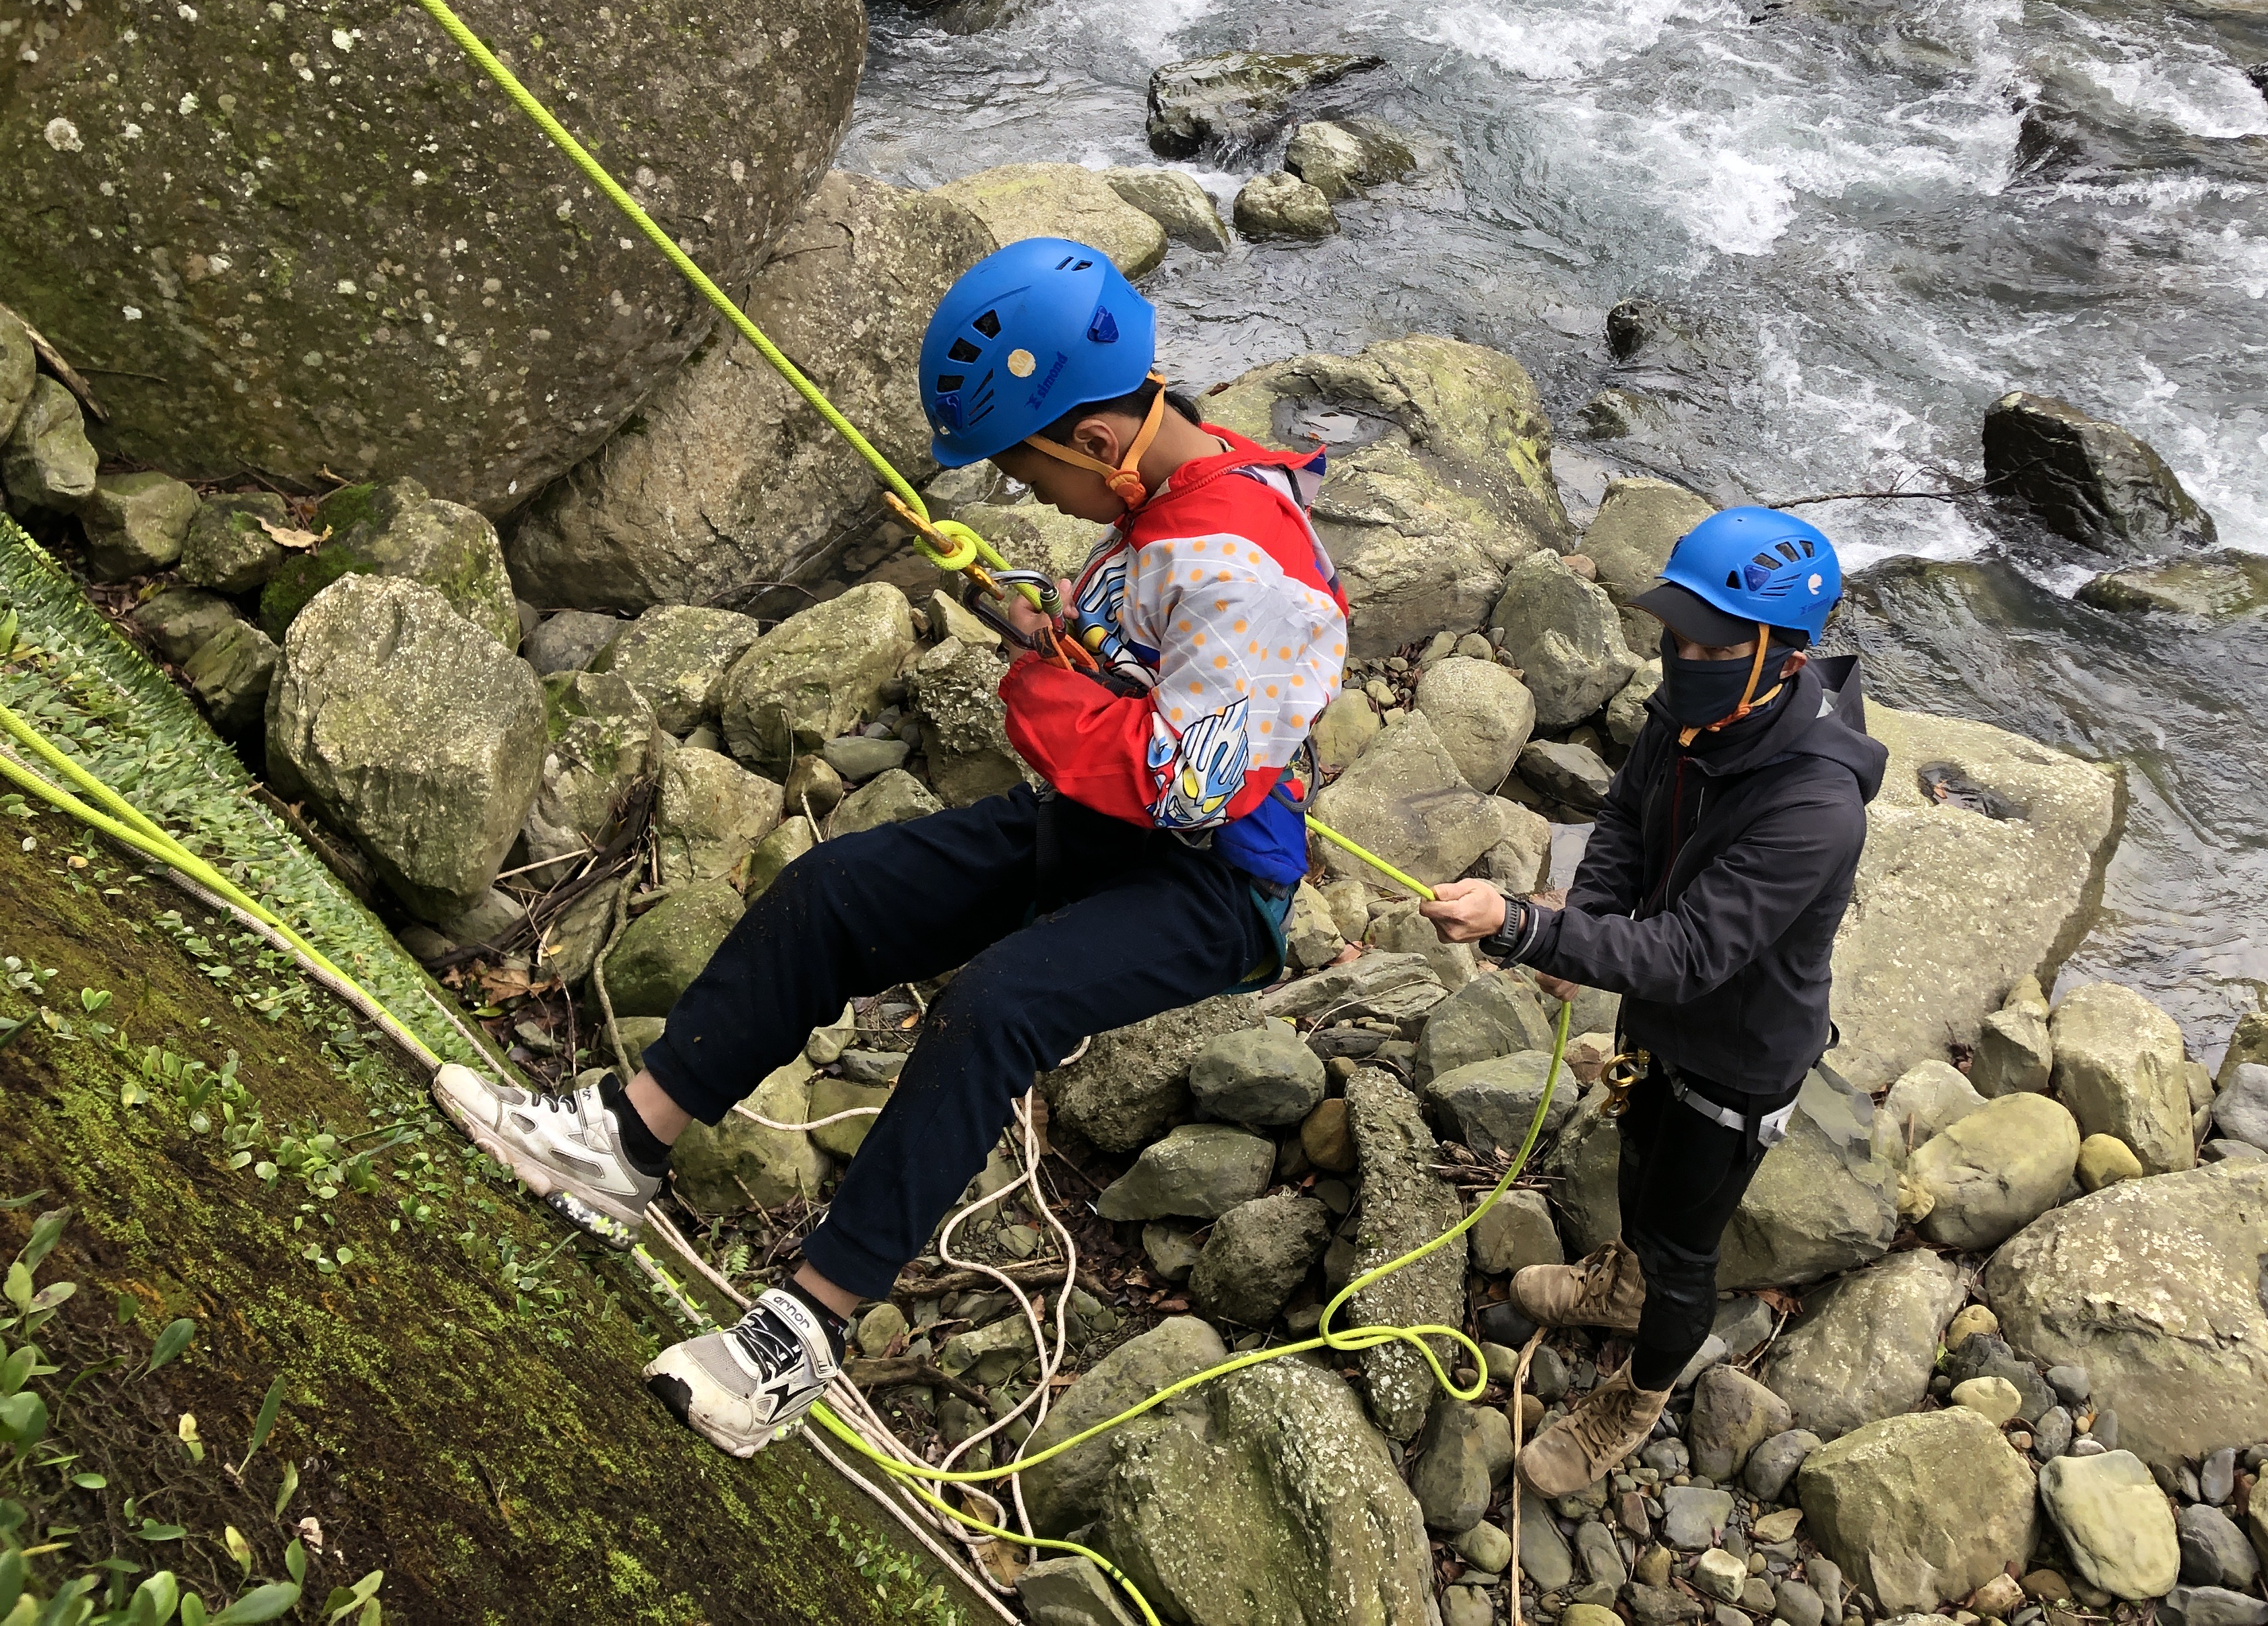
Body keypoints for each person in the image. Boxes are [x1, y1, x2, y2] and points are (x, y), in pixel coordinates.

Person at [432, 237, 1350, 1456]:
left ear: (1092, 438)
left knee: (998, 1003)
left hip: (1213, 881)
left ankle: (805, 1335)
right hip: (1102, 821)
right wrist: (1033, 615)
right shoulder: (1171, 487)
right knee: (837, 889)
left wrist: (1034, 683)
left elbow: (1192, 789)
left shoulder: (1253, 571)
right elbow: (1140, 664)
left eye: (1029, 476)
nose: (1035, 499)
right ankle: (625, 1141)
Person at [1421, 507, 1885, 1497]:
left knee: (1686, 1249)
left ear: (1780, 652)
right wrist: (1583, 927)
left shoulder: (1816, 805)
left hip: (1740, 1059)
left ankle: (1636, 1396)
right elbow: (1627, 820)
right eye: (1676, 633)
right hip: (1654, 1023)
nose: (1684, 655)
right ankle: (1616, 1284)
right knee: (1632, 1164)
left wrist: (1528, 928)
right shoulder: (1695, 710)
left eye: (1711, 640)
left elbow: (1688, 951)